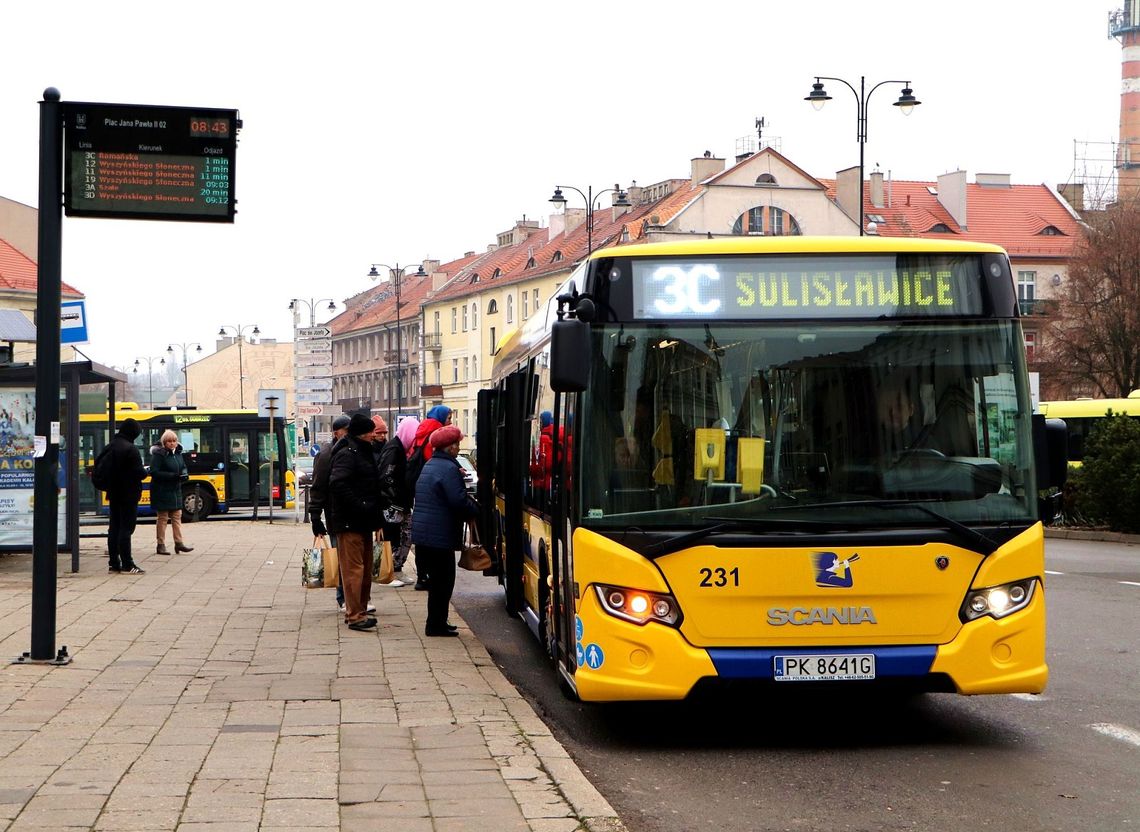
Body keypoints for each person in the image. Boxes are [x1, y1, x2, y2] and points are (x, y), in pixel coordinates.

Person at [411, 425, 477, 637]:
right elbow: (458, 501)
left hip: (427, 534)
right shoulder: (448, 469)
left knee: (438, 582)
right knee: (444, 582)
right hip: (438, 536)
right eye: (456, 444)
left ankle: (438, 621)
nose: (458, 448)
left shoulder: (432, 464)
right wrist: (477, 510)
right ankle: (435, 625)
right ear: (449, 447)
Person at [310, 415, 374, 614]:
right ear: (336, 433)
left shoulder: (357, 451)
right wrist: (315, 516)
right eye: (345, 430)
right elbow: (319, 487)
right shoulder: (328, 454)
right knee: (344, 560)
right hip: (338, 515)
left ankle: (355, 602)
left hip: (355, 516)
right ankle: (345, 600)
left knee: (355, 562)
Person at [328, 414, 383, 631]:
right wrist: (360, 505)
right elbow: (337, 484)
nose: (374, 435)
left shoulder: (363, 451)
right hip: (350, 521)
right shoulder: (348, 454)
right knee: (354, 571)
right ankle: (354, 615)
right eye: (371, 431)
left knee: (365, 569)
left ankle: (360, 610)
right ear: (362, 432)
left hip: (364, 521)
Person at [407, 405, 451, 590]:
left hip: (419, 486)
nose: (449, 421)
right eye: (448, 417)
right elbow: (434, 462)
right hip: (431, 490)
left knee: (422, 536)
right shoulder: (436, 433)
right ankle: (429, 576)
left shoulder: (422, 429)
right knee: (432, 536)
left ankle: (422, 575)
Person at [105, 418, 148, 574]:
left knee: (114, 527)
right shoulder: (131, 449)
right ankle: (128, 564)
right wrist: (146, 471)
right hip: (129, 494)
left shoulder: (111, 446)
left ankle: (114, 562)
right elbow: (140, 473)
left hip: (114, 492)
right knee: (126, 528)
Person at [379, 415, 418, 578]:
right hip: (393, 504)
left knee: (404, 536)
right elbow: (386, 476)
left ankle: (395, 568)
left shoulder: (400, 448)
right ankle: (392, 569)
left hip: (398, 503)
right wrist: (396, 499)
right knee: (396, 537)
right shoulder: (394, 449)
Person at [370, 415, 406, 588]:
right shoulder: (371, 450)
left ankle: (384, 570)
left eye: (384, 432)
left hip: (384, 500)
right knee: (382, 536)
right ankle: (381, 571)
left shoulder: (386, 448)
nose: (382, 436)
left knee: (386, 536)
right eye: (379, 433)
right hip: (379, 499)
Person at [150, 429, 194, 555]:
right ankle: (161, 544)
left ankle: (179, 543)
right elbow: (154, 472)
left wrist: (184, 474)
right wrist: (172, 476)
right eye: (169, 441)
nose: (172, 443)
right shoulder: (159, 455)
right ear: (164, 442)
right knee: (162, 518)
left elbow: (183, 466)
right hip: (162, 490)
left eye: (174, 441)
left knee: (177, 517)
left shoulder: (178, 453)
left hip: (175, 489)